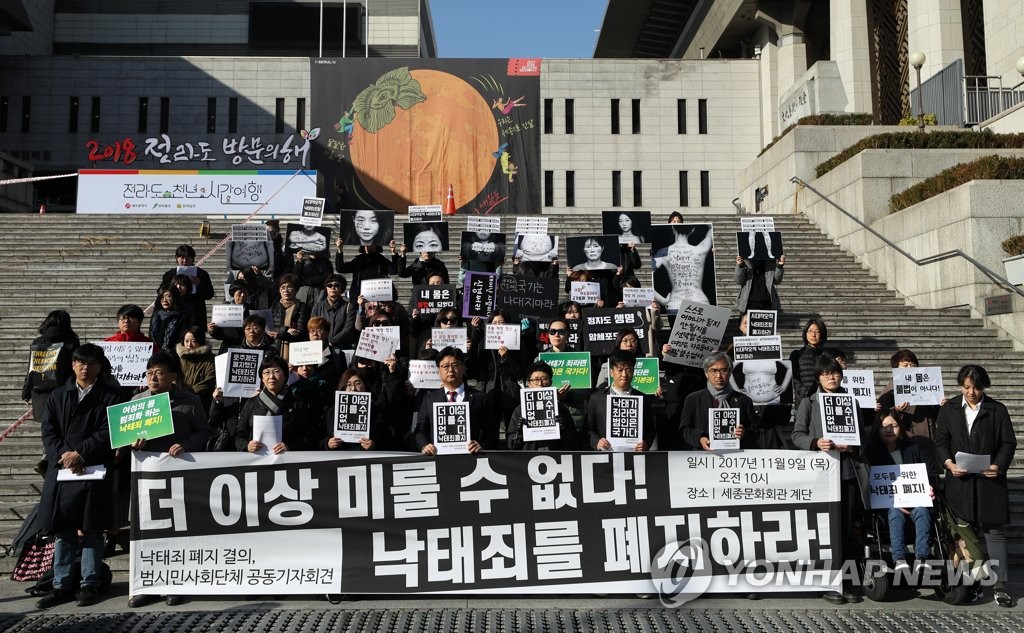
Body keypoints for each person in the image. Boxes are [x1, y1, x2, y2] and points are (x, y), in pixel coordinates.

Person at [35, 344, 122, 609]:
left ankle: (89, 583)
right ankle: (60, 584)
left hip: (93, 468)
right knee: (63, 530)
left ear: (100, 366)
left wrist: (80, 454)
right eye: (81, 362)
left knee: (93, 530)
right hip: (63, 469)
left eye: (91, 363)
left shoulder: (112, 396)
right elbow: (49, 430)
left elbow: (109, 431)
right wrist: (65, 455)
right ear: (73, 365)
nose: (85, 367)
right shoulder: (58, 395)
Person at [125, 352, 210, 609]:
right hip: (147, 478)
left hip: (179, 476)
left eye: (160, 373)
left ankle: (175, 584)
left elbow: (204, 432)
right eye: (150, 373)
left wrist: (185, 445)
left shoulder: (190, 401)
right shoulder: (137, 401)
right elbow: (124, 438)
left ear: (173, 377)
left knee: (177, 533)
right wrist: (132, 444)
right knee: (147, 533)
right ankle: (147, 586)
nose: (153, 377)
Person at [934, 365, 1017, 607]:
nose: (972, 392)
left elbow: (1008, 443)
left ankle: (1000, 585)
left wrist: (998, 466)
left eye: (977, 388)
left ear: (984, 387)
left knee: (994, 534)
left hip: (990, 482)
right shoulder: (949, 409)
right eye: (967, 387)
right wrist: (949, 464)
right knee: (965, 536)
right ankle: (974, 583)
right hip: (959, 482)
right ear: (960, 386)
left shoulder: (997, 410)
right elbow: (941, 442)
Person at [791, 353, 864, 605]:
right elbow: (797, 434)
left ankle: (848, 581)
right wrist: (815, 442)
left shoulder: (851, 401)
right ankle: (827, 582)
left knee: (847, 529)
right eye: (825, 373)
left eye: (834, 372)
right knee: (825, 529)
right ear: (818, 378)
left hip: (847, 473)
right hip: (820, 475)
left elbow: (862, 436)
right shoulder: (809, 402)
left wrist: (852, 446)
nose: (831, 377)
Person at [864, 410, 935, 576]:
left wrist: (930, 486)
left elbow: (930, 472)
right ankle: (899, 559)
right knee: (895, 512)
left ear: (901, 428)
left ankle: (921, 559)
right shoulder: (871, 453)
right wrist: (892, 502)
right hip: (888, 506)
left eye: (894, 426)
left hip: (916, 501)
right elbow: (869, 484)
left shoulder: (914, 448)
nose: (889, 430)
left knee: (922, 512)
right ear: (877, 429)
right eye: (884, 427)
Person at [414, 347, 495, 455]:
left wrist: (482, 445)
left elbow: (491, 430)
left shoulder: (480, 398)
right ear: (438, 370)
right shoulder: (429, 399)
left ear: (463, 367)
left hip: (471, 458)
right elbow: (420, 431)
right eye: (445, 366)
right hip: (438, 458)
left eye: (455, 365)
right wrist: (424, 445)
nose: (450, 370)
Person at [678, 352, 752, 450]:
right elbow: (684, 430)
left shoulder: (744, 400)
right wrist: (699, 438)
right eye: (713, 370)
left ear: (730, 372)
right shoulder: (693, 399)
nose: (718, 376)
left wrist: (744, 433)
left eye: (723, 370)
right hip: (703, 455)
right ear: (706, 373)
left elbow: (754, 430)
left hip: (735, 455)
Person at [586, 350, 655, 452]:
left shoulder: (643, 398)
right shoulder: (596, 398)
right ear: (611, 372)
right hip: (605, 456)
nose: (624, 374)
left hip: (634, 456)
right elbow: (588, 429)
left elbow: (651, 429)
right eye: (620, 370)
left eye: (628, 370)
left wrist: (646, 443)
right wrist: (597, 442)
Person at [506, 362, 578, 451]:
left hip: (556, 456)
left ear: (550, 382)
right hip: (529, 457)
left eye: (544, 379)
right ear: (529, 384)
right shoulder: (520, 410)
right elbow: (511, 446)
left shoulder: (561, 409)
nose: (540, 383)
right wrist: (519, 433)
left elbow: (574, 442)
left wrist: (564, 430)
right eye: (536, 380)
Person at [236, 356, 292, 454]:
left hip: (287, 459)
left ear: (285, 376)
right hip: (256, 459)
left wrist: (289, 446)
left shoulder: (296, 404)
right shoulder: (252, 403)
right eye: (266, 372)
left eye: (276, 371)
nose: (271, 377)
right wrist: (247, 445)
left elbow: (307, 436)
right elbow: (239, 434)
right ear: (262, 378)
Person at [652, 223, 714, 310]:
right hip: (700, 301)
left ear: (673, 228)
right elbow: (711, 230)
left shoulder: (664, 252)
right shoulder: (701, 250)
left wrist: (663, 301)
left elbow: (646, 277)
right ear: (692, 230)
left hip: (676, 303)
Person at [322, 370, 386, 451]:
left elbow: (386, 439)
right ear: (343, 388)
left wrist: (373, 446)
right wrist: (327, 444)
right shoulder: (331, 411)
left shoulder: (376, 411)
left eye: (358, 383)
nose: (353, 389)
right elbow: (317, 439)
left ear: (365, 386)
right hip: (338, 457)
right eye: (348, 385)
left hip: (365, 457)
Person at [160, 245, 215, 325]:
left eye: (188, 257)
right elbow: (160, 292)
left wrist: (199, 284)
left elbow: (210, 294)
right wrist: (172, 286)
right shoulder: (170, 275)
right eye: (182, 257)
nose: (185, 260)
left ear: (193, 259)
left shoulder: (201, 274)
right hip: (175, 312)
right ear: (176, 258)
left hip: (196, 313)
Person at [788, 317, 828, 411]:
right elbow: (793, 377)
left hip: (824, 400)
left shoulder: (828, 355)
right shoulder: (796, 354)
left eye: (817, 331)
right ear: (805, 334)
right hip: (803, 400)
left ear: (822, 334)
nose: (813, 335)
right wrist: (803, 391)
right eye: (810, 331)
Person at [268, 274, 311, 359]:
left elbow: (300, 331)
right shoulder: (274, 307)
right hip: (275, 348)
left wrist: (279, 333)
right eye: (282, 287)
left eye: (289, 287)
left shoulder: (302, 307)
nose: (285, 290)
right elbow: (270, 328)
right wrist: (286, 329)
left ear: (296, 289)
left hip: (296, 349)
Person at [310, 274, 357, 350]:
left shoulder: (349, 306)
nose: (333, 287)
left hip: (343, 347)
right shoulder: (317, 306)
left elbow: (348, 328)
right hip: (322, 348)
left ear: (342, 288)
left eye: (336, 285)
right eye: (329, 285)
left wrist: (331, 341)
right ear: (326, 288)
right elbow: (313, 327)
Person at [176, 326, 216, 411]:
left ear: (200, 341)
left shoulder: (211, 359)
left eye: (193, 341)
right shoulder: (178, 358)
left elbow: (209, 380)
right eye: (186, 341)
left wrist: (188, 393)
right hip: (179, 400)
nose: (189, 345)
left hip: (201, 402)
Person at [149, 284, 191, 357]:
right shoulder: (156, 316)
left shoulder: (183, 316)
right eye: (161, 297)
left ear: (175, 297)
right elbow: (151, 337)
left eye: (168, 296)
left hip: (175, 357)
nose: (164, 300)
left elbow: (181, 340)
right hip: (156, 356)